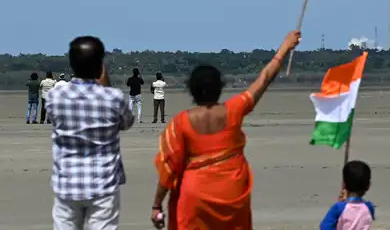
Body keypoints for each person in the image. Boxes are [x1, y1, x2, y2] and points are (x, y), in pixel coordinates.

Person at [150, 30, 301, 230]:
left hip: (195, 194)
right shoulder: (234, 110)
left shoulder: (179, 123)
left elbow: (169, 169)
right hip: (232, 191)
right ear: (219, 88)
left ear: (192, 90)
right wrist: (285, 47)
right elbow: (265, 78)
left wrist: (156, 205)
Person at [45, 36, 135, 230]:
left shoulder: (54, 97)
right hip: (103, 182)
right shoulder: (113, 98)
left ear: (72, 64)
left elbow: (54, 118)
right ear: (100, 66)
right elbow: (127, 123)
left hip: (67, 182)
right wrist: (106, 85)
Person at [320, 160, 375, 230]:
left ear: (344, 185)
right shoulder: (369, 207)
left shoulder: (338, 207)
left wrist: (342, 203)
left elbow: (325, 227)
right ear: (368, 186)